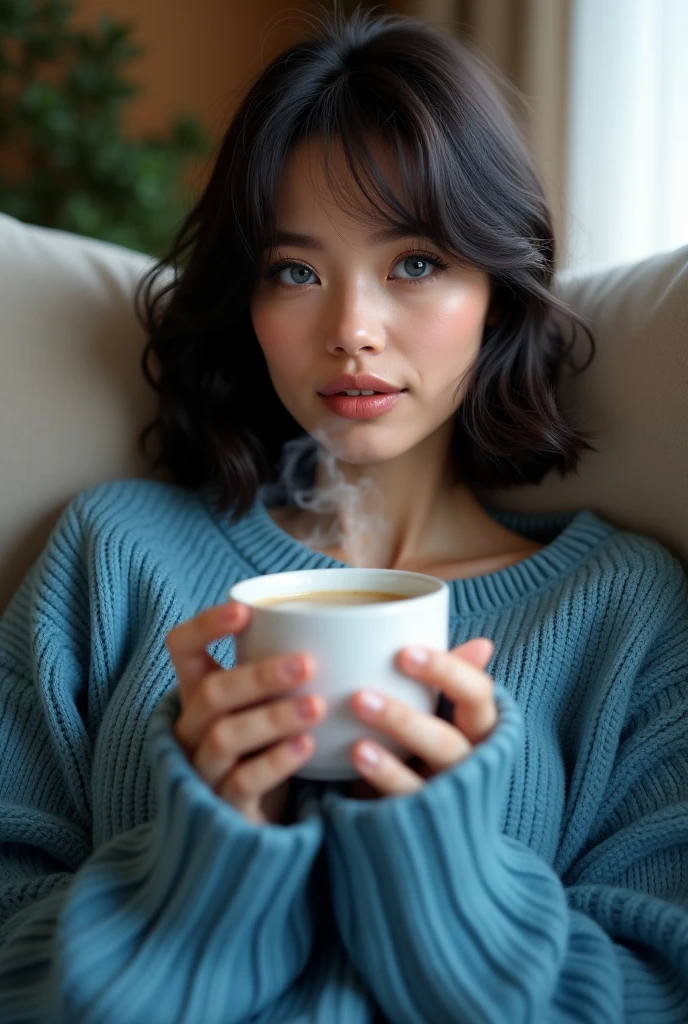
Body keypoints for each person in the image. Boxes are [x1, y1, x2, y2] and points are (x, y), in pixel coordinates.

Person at [1, 6, 687, 1022]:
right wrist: (202, 859)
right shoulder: (114, 554)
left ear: (494, 291)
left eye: (414, 262)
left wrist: (444, 870)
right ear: (249, 305)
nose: (351, 331)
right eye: (295, 271)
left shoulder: (619, 611)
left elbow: (654, 992)